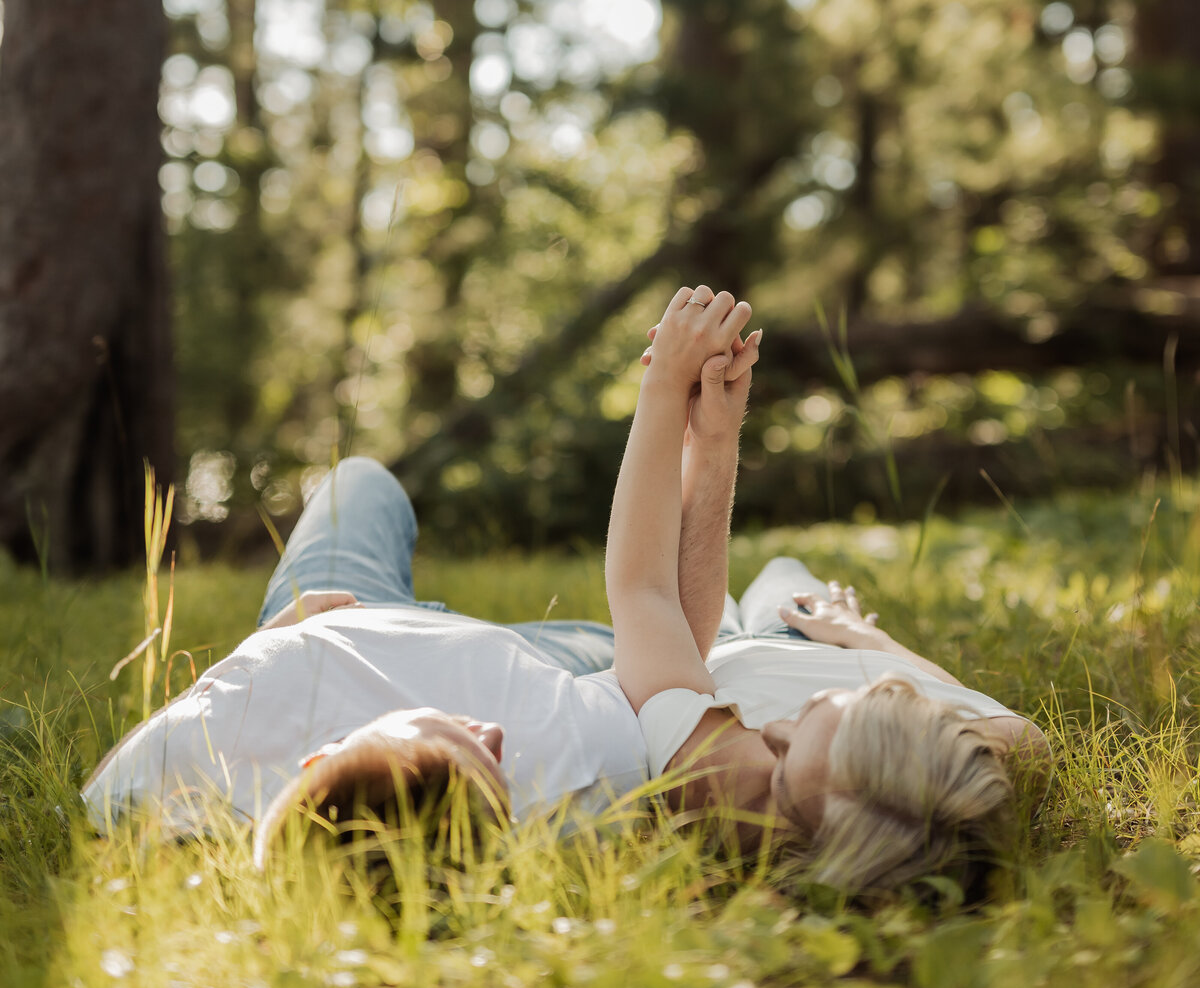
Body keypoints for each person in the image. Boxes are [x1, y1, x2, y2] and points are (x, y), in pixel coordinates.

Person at [81, 316, 760, 855]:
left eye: (458, 742)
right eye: (495, 776)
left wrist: (263, 646)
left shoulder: (189, 773)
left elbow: (103, 789)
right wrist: (712, 441)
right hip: (529, 661)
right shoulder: (570, 766)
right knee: (720, 646)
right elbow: (667, 643)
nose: (491, 735)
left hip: (331, 614)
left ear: (320, 757)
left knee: (359, 482)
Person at [606, 284, 1049, 894]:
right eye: (813, 718)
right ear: (907, 713)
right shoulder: (1011, 750)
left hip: (690, 659)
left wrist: (666, 391)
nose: (774, 735)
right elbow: (955, 693)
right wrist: (865, 637)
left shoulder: (731, 792)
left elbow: (647, 596)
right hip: (812, 635)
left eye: (783, 778)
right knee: (784, 571)